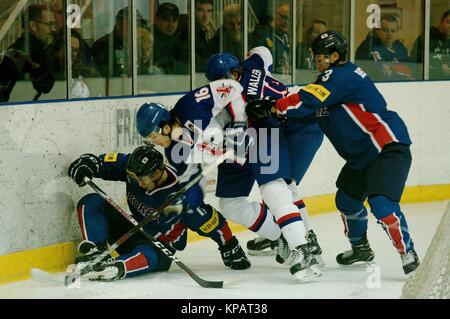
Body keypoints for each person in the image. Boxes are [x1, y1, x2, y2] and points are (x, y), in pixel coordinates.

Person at [247, 31, 420, 275]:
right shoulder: (331, 85)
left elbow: (305, 99)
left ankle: (408, 253)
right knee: (346, 200)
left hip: (386, 146)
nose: (316, 61)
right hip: (362, 156)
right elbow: (302, 109)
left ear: (335, 56)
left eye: (320, 56)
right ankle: (360, 248)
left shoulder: (341, 75)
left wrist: (272, 106)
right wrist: (275, 112)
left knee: (382, 204)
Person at [204, 48, 324, 271]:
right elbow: (264, 52)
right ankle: (280, 235)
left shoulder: (246, 97)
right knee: (230, 204)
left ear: (235, 74)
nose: (220, 89)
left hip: (300, 128)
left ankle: (304, 242)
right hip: (263, 130)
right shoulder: (251, 64)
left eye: (223, 82)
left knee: (281, 187)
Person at [66, 145, 250, 281]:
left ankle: (116, 267)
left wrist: (229, 246)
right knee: (91, 201)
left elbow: (212, 222)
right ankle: (95, 252)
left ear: (155, 174)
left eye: (139, 179)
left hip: (159, 246)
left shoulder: (182, 198)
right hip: (131, 228)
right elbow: (102, 163)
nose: (135, 182)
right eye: (132, 177)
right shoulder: (134, 168)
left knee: (149, 255)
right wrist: (88, 164)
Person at [355, 15, 415, 81]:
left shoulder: (400, 47)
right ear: (377, 30)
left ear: (397, 32)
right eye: (385, 30)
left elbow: (411, 67)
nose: (389, 34)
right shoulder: (368, 46)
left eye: (393, 31)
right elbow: (361, 71)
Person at [91, 7, 146, 77]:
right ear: (119, 24)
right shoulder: (103, 45)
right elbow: (103, 72)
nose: (136, 28)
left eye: (138, 25)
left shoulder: (137, 43)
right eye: (131, 24)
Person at [10, 4, 56, 74]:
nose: (53, 30)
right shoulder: (29, 51)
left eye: (53, 25)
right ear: (33, 25)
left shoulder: (20, 47)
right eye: (50, 24)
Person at [250, 2, 291, 74]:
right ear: (275, 15)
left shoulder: (286, 36)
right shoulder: (261, 34)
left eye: (289, 19)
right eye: (284, 17)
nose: (286, 22)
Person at [412, 10, 450, 79]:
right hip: (428, 85)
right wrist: (439, 70)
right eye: (448, 22)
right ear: (440, 23)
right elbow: (416, 67)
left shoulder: (448, 42)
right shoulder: (426, 40)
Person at [153, 2, 189, 74]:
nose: (171, 24)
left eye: (174, 20)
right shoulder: (149, 39)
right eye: (166, 19)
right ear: (156, 19)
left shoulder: (183, 38)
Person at [195, 0, 216, 72]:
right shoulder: (189, 34)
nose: (205, 16)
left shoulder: (211, 30)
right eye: (200, 10)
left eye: (209, 11)